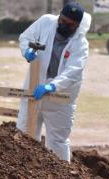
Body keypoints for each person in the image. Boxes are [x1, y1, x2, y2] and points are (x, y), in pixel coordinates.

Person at [17, 2, 91, 163]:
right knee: (25, 136)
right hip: (34, 90)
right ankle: (23, 174)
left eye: (70, 25)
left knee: (57, 142)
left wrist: (52, 86)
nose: (65, 26)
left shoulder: (80, 44)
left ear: (77, 25)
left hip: (60, 99)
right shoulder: (46, 22)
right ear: (59, 17)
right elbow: (25, 38)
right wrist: (27, 51)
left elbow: (73, 72)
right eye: (63, 21)